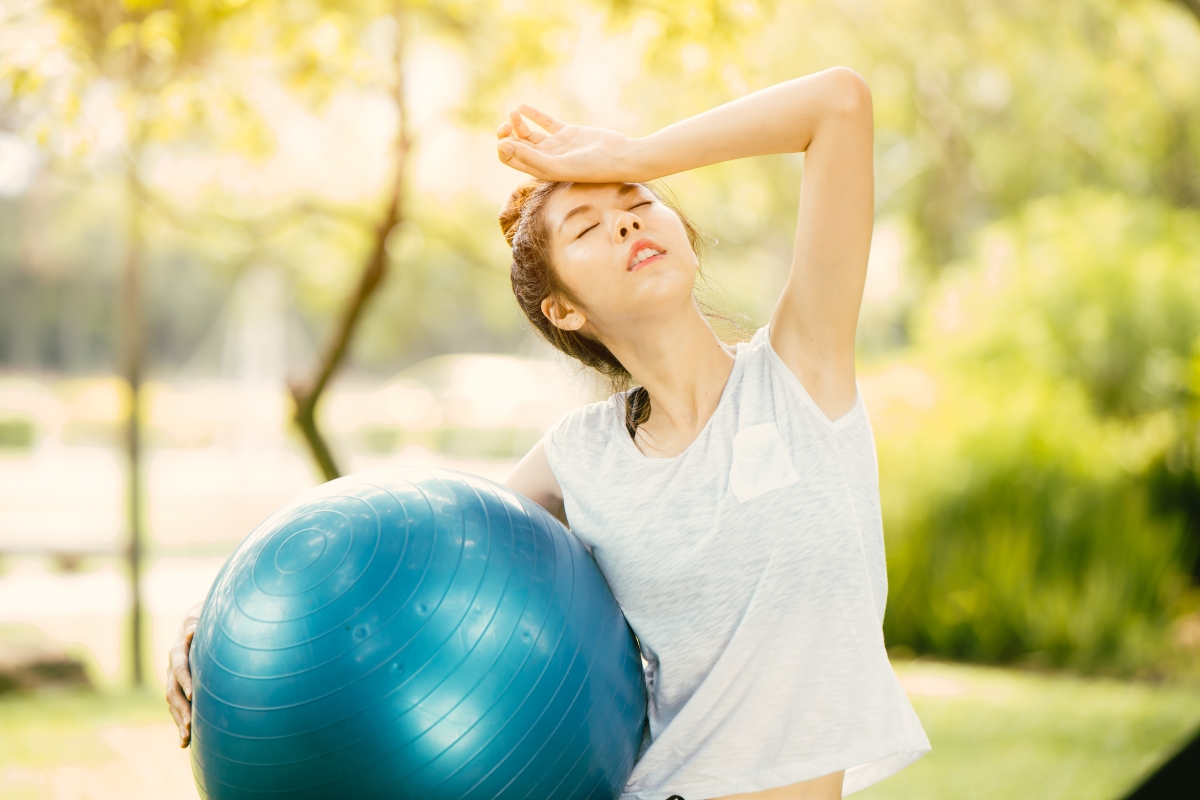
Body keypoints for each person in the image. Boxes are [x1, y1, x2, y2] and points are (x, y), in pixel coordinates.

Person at [166, 66, 930, 800]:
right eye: (587, 226)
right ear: (564, 309)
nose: (625, 218)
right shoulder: (583, 456)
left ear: (683, 232)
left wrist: (631, 153)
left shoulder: (799, 374)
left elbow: (838, 104)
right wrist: (223, 626)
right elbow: (417, 558)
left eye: (637, 200)